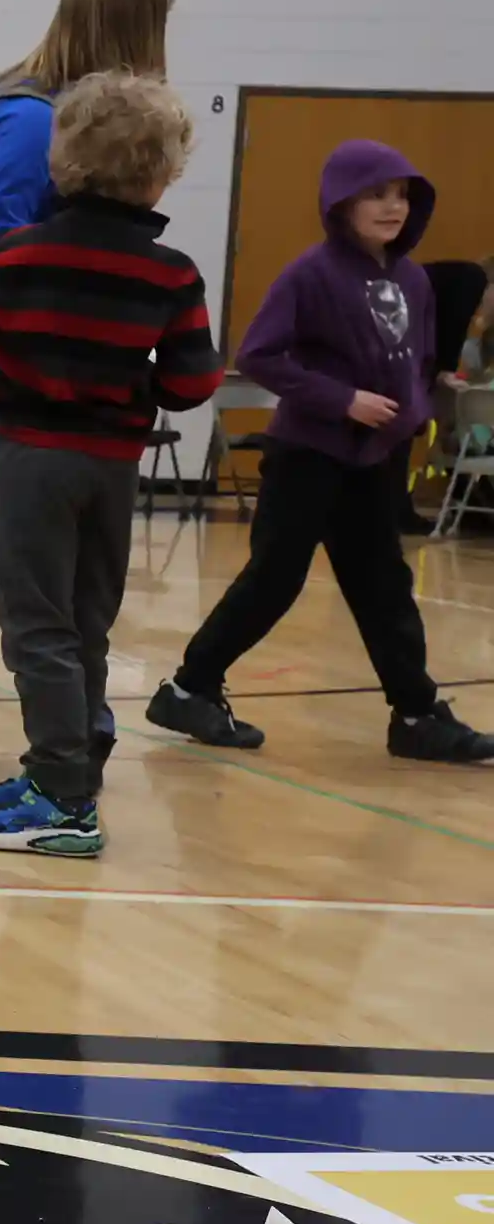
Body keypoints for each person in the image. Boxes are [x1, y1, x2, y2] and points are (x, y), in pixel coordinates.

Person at [0, 75, 223, 856]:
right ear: (163, 174)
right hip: (113, 466)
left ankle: (61, 799)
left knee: (36, 631)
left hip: (27, 457)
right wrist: (141, 384)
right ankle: (67, 774)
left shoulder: (9, 255)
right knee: (85, 624)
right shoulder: (172, 273)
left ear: (61, 164)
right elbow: (193, 382)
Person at [145, 141, 494, 765]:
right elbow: (259, 354)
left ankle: (417, 713)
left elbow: (416, 360)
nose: (392, 207)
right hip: (309, 451)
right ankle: (189, 687)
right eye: (376, 194)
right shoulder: (311, 273)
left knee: (384, 584)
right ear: (342, 202)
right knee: (276, 577)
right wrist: (342, 399)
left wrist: (412, 406)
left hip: (374, 459)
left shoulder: (412, 278)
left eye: (401, 195)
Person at [0, 0, 173, 782]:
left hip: (43, 407)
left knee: (65, 594)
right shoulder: (30, 124)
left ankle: (73, 750)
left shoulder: (66, 124)